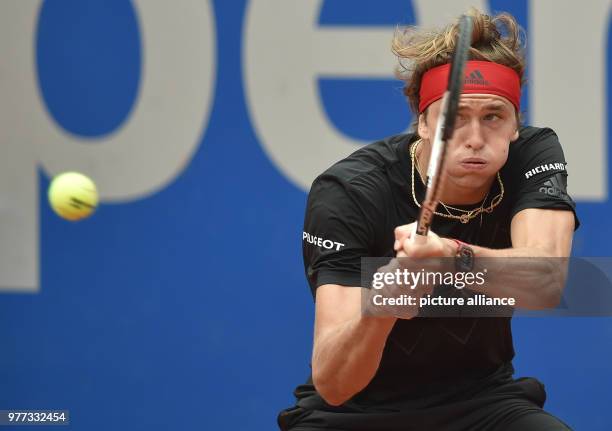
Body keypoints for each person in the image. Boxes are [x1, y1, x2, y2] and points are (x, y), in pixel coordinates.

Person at [278, 8, 579, 431]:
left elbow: (546, 282)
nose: (475, 138)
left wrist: (450, 257)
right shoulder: (350, 192)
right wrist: (381, 308)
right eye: (454, 118)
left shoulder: (532, 154)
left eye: (493, 116)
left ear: (515, 125)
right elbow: (333, 384)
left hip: (481, 402)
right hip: (353, 414)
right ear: (422, 123)